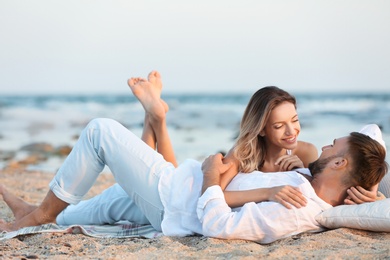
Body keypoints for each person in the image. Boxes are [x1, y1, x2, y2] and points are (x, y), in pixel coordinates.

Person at [0, 103, 387, 244]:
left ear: (339, 164)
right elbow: (372, 143)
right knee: (92, 208)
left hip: (174, 197)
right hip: (175, 189)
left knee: (100, 130)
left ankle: (39, 214)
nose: (323, 146)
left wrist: (206, 175)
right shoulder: (303, 181)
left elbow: (219, 226)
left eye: (332, 147)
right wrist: (375, 193)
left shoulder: (297, 204)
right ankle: (34, 213)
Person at [128, 71, 383, 207]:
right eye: (279, 126)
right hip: (191, 187)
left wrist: (375, 196)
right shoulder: (244, 151)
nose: (291, 132)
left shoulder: (306, 152)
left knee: (160, 165)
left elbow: (332, 186)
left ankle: (154, 117)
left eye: (295, 121)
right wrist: (268, 193)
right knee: (169, 169)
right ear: (261, 129)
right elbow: (215, 195)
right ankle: (158, 119)